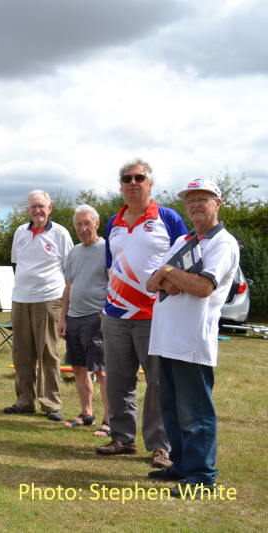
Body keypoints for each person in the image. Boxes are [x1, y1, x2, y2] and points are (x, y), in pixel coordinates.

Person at [145, 179, 238, 497]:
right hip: (167, 339)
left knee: (195, 410)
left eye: (204, 199)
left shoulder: (222, 244)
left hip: (192, 341)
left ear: (217, 203)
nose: (196, 204)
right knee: (170, 407)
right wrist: (172, 276)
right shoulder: (183, 240)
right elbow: (150, 283)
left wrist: (170, 274)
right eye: (191, 200)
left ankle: (202, 476)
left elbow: (203, 287)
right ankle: (182, 466)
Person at [96, 158, 187, 470]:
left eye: (139, 177)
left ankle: (161, 446)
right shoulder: (113, 222)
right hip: (115, 315)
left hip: (155, 314)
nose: (132, 182)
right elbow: (110, 265)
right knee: (119, 381)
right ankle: (123, 438)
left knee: (160, 383)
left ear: (150, 184)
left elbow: (185, 261)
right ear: (121, 185)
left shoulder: (169, 218)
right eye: (126, 178)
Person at [4, 190, 73, 420]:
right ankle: (25, 401)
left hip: (49, 299)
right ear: (28, 210)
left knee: (48, 353)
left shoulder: (60, 234)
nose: (37, 211)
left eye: (41, 206)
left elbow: (69, 271)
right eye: (33, 207)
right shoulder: (20, 232)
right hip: (21, 299)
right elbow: (18, 264)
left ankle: (51, 404)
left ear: (49, 208)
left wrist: (65, 305)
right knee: (21, 354)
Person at [58, 205, 110, 434]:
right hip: (74, 318)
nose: (82, 228)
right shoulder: (74, 252)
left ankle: (109, 420)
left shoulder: (108, 248)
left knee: (102, 371)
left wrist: (103, 313)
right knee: (79, 369)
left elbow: (116, 284)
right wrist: (63, 318)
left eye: (87, 223)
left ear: (97, 223)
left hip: (96, 318)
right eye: (78, 224)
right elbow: (68, 287)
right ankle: (87, 414)